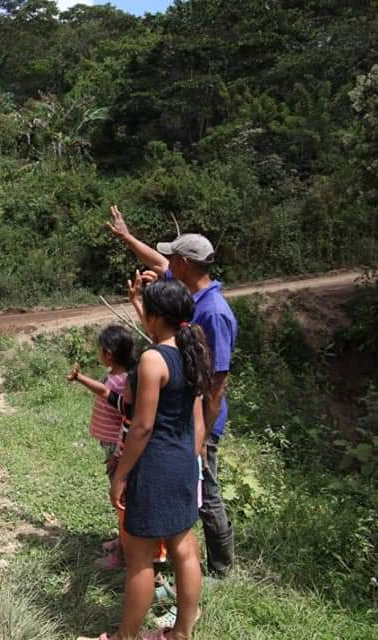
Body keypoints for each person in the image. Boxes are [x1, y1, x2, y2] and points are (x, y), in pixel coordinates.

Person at [107, 205, 238, 579]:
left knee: (206, 491)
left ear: (182, 263)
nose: (165, 261)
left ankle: (220, 570)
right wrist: (127, 237)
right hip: (181, 415)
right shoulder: (188, 297)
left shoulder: (213, 312)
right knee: (186, 493)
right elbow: (157, 263)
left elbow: (216, 382)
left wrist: (203, 435)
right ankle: (172, 558)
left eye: (171, 257)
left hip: (198, 420)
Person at [82, 279, 209, 640]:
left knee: (139, 560)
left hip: (154, 468)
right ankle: (181, 634)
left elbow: (141, 427)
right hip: (184, 463)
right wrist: (189, 461)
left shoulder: (154, 359)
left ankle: (125, 638)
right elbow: (198, 423)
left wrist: (121, 475)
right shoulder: (192, 351)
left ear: (154, 316)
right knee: (184, 549)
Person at [66, 325, 138, 570]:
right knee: (121, 499)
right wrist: (80, 378)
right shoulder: (119, 376)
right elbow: (103, 390)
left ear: (107, 353)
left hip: (117, 450)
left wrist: (117, 455)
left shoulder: (123, 383)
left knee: (121, 500)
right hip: (113, 448)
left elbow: (124, 420)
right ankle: (122, 541)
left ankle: (123, 555)